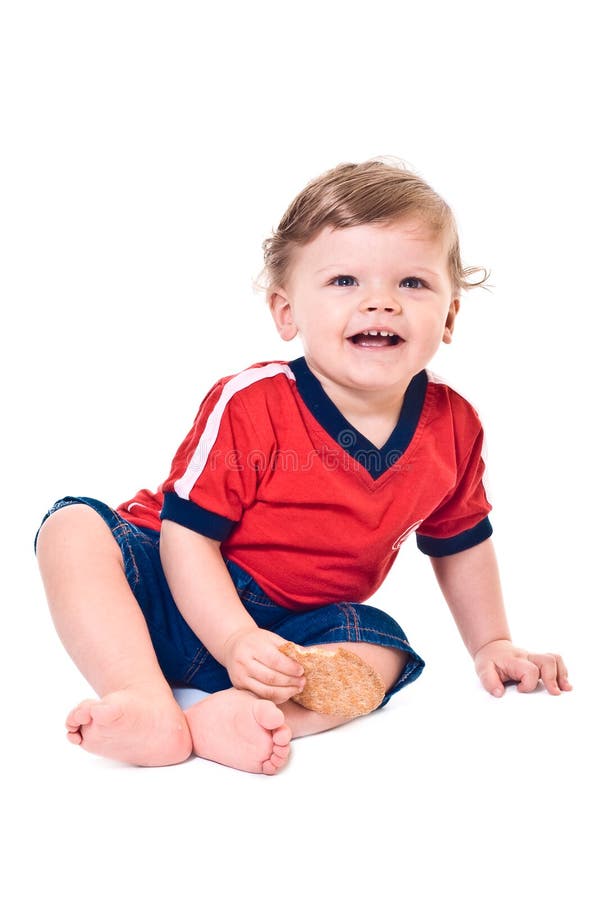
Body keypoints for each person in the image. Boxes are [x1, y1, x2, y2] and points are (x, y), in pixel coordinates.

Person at [34, 159, 571, 775]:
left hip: (290, 636)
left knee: (383, 649)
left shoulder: (453, 427)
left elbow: (462, 543)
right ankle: (143, 697)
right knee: (72, 528)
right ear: (287, 312)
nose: (381, 303)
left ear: (450, 316)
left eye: (413, 284)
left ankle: (246, 717)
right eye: (344, 280)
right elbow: (188, 536)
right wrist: (231, 637)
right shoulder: (252, 402)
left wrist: (492, 642)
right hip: (165, 593)